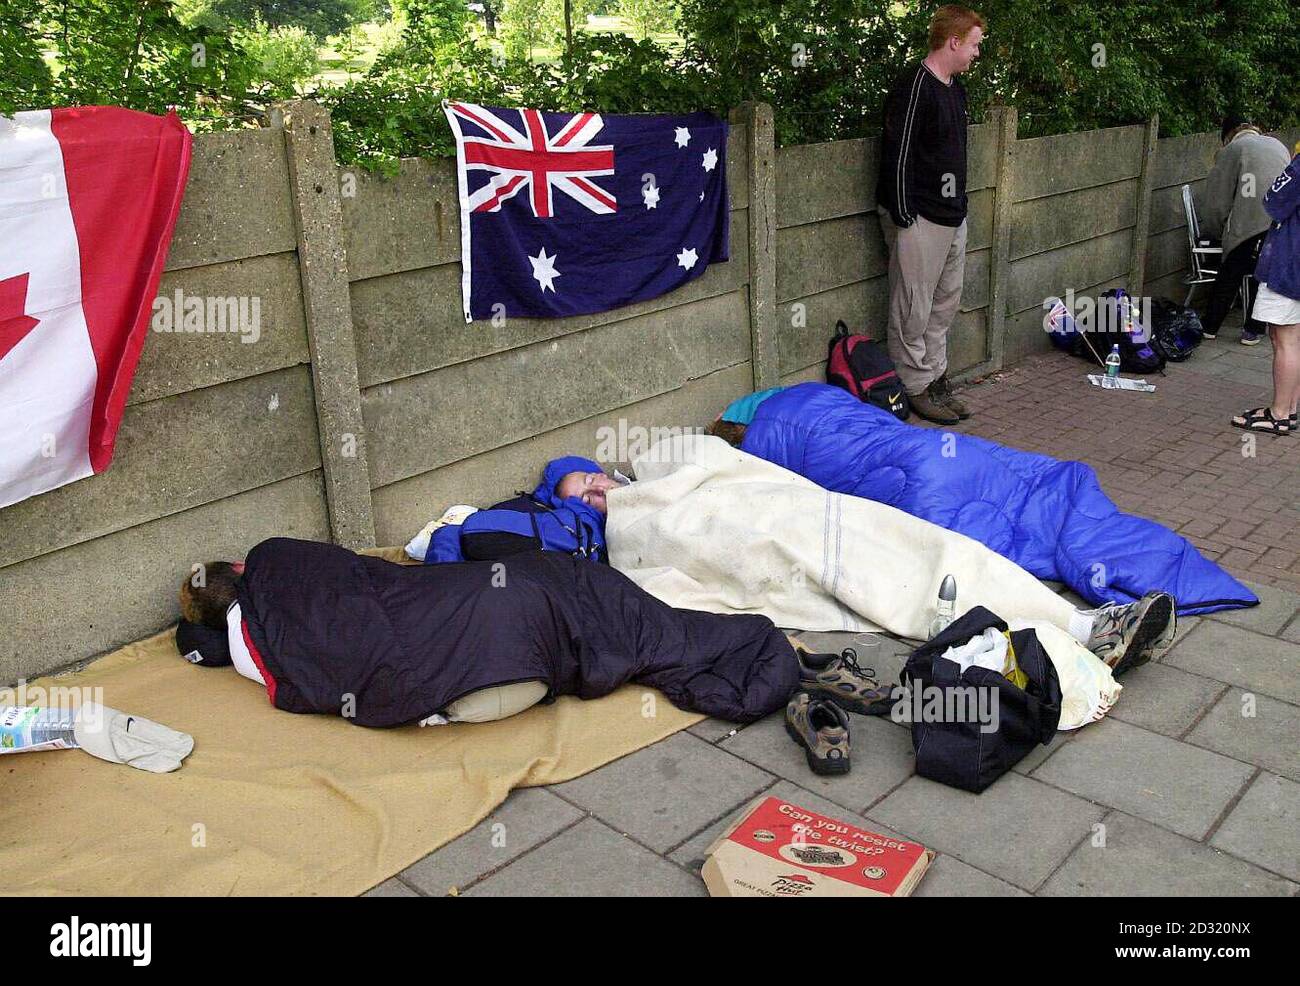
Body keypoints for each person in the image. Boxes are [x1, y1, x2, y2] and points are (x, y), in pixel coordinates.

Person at [707, 383, 1257, 616]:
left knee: (1011, 528)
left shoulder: (764, 444)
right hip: (934, 450)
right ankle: (1158, 567)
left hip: (920, 477)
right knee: (1037, 492)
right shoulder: (808, 397)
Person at [175, 538, 803, 727]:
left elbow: (261, 660)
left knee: (581, 610)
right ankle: (751, 651)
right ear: (237, 568)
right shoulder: (275, 556)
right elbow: (361, 571)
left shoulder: (247, 651)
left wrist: (197, 638)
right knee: (579, 593)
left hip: (479, 686)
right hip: (509, 625)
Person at [875, 4, 984, 425]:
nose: (976, 53)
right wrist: (903, 214)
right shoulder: (913, 86)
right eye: (974, 45)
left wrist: (960, 207)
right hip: (918, 216)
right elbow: (897, 153)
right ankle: (914, 385)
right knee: (912, 307)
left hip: (952, 215)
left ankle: (936, 377)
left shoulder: (955, 88)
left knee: (944, 304)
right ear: (953, 41)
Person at [1197, 116, 1290, 345]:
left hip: (1247, 223)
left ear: (1227, 135)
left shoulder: (1233, 150)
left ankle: (1210, 326)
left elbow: (1217, 201)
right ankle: (1253, 330)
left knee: (1230, 272)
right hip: (1279, 221)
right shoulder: (1278, 145)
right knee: (1262, 276)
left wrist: (1215, 231)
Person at [1232, 149, 1300, 435]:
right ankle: (1290, 409)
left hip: (1290, 260)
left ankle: (1279, 414)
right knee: (1295, 338)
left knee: (1283, 338)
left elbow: (1273, 200)